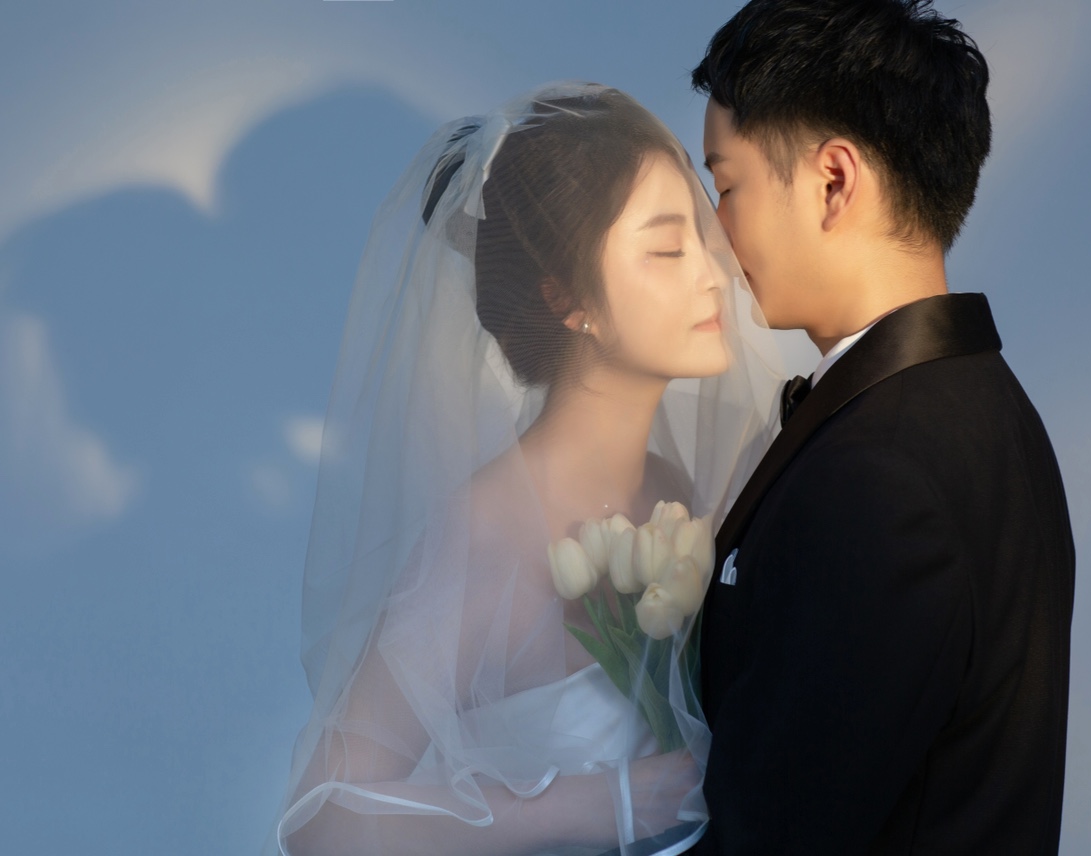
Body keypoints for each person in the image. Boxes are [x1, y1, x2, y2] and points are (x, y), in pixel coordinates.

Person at [270, 83, 785, 856]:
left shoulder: (671, 491)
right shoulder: (487, 533)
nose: (713, 276)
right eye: (668, 250)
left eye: (703, 239)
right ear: (569, 298)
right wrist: (607, 804)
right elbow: (320, 819)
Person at [687, 1, 1076, 853]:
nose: (715, 232)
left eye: (727, 187)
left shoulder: (880, 476)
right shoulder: (987, 406)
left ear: (833, 181)